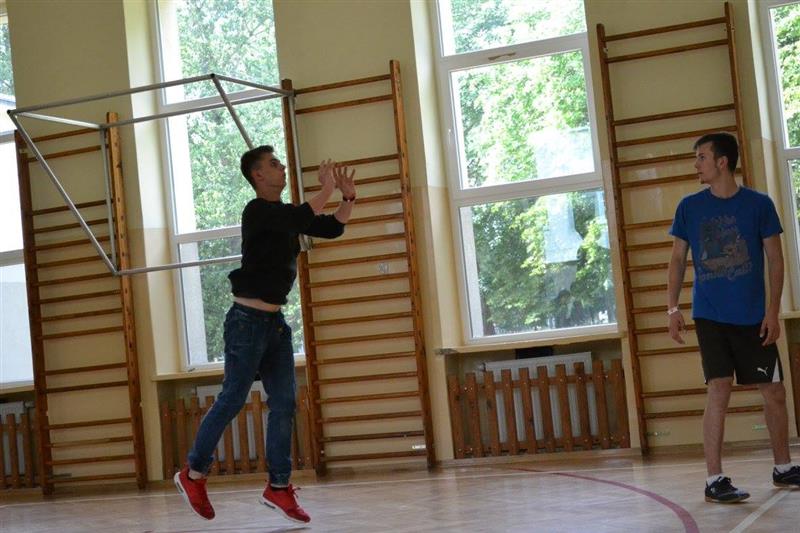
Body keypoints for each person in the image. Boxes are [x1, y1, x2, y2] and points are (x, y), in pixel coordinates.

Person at [174, 145, 356, 522]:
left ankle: (278, 487)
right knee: (232, 398)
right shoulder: (257, 211)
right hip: (246, 321)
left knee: (285, 402)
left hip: (275, 326)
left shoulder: (286, 216)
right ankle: (193, 474)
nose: (282, 167)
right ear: (258, 175)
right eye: (274, 164)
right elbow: (302, 216)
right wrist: (325, 188)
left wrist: (347, 198)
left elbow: (332, 227)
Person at [667, 132, 800, 503]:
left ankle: (783, 467)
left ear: (722, 161)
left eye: (701, 157)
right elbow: (677, 260)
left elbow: (775, 259)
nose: (696, 164)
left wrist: (773, 311)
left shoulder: (759, 205)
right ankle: (715, 479)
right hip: (710, 316)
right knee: (719, 388)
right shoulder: (689, 207)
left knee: (774, 391)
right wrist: (672, 308)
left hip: (754, 316)